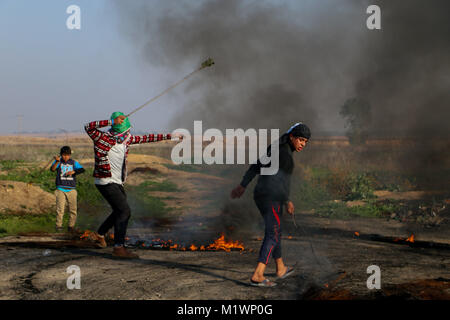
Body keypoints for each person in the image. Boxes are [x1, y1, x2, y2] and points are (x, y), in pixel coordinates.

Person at [84, 112, 178, 259]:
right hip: (105, 181)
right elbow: (88, 127)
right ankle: (118, 248)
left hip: (117, 181)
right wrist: (111, 121)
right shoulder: (102, 137)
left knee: (118, 211)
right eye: (125, 129)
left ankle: (99, 234)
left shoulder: (125, 140)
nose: (128, 132)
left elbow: (146, 138)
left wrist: (169, 136)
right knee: (124, 212)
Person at [230, 122, 311, 287]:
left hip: (261, 195)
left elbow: (255, 166)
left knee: (275, 229)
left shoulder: (275, 148)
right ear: (292, 137)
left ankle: (280, 268)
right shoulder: (285, 155)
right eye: (301, 139)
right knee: (273, 233)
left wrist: (243, 185)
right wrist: (287, 200)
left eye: (305, 141)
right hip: (270, 197)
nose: (303, 144)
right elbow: (278, 183)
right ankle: (258, 275)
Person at [50, 146, 85, 233]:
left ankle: (71, 226)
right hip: (60, 189)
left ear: (70, 155)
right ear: (61, 155)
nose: (66, 157)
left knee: (73, 210)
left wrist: (74, 172)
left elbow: (82, 170)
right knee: (60, 209)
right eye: (64, 155)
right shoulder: (58, 162)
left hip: (71, 189)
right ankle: (58, 226)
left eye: (67, 155)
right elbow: (52, 169)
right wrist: (57, 161)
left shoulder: (73, 163)